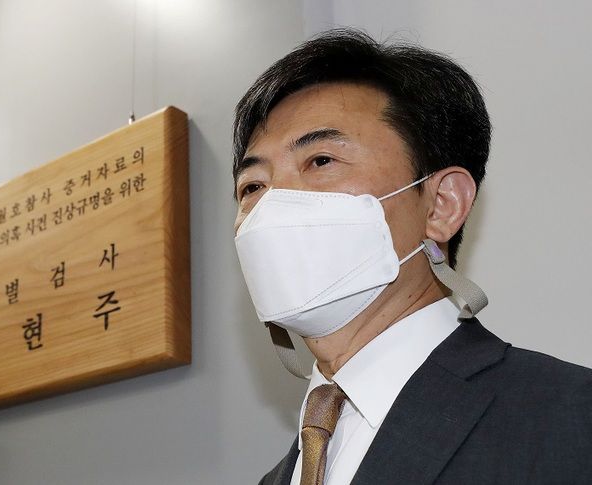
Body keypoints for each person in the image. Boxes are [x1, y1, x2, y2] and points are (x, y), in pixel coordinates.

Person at [231, 29, 592, 485]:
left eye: (321, 161)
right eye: (253, 186)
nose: (272, 206)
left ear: (441, 205)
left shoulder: (570, 420)